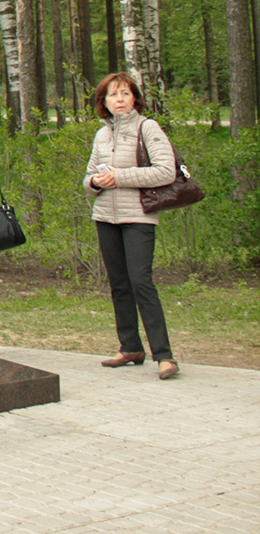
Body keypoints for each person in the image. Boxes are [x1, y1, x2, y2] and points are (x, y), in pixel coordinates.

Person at [84, 72, 178, 380]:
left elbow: (166, 171)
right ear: (104, 103)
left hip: (138, 216)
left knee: (141, 282)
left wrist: (120, 177)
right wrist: (96, 182)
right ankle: (130, 347)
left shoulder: (147, 127)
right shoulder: (101, 134)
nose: (120, 100)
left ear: (134, 98)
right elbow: (88, 178)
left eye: (125, 94)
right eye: (113, 95)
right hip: (105, 217)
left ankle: (164, 356)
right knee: (119, 284)